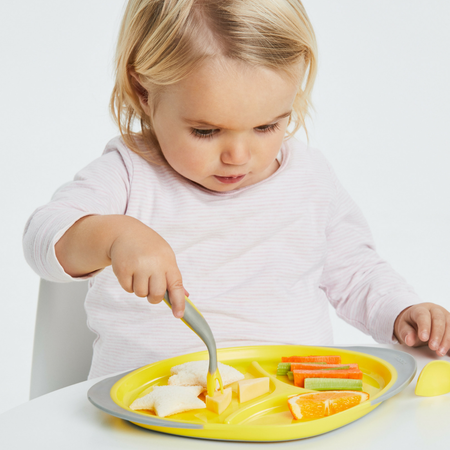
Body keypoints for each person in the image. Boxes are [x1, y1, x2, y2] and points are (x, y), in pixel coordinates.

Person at [23, 0, 450, 379]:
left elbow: (356, 274)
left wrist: (401, 312)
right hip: (150, 417)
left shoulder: (309, 179)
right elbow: (44, 236)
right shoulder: (129, 174)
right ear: (143, 90)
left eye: (268, 126)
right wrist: (114, 236)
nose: (239, 156)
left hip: (291, 411)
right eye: (207, 131)